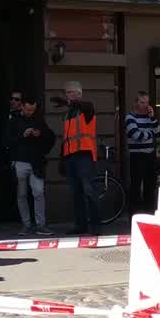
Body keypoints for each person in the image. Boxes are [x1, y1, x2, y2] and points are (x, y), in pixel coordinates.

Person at [6, 95, 56, 236]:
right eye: (28, 109)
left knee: (38, 192)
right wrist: (23, 135)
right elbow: (7, 141)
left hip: (36, 162)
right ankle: (26, 224)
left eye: (32, 110)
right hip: (20, 161)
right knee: (21, 194)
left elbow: (51, 137)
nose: (30, 112)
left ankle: (41, 225)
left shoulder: (38, 120)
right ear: (22, 106)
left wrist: (40, 134)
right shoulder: (14, 121)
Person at [56, 81, 100, 234]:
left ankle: (96, 226)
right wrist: (62, 159)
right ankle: (80, 225)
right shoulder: (68, 114)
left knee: (89, 191)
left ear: (78, 94)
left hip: (84, 155)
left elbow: (85, 106)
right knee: (76, 193)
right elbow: (66, 138)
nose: (66, 95)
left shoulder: (87, 108)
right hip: (70, 156)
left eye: (69, 92)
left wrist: (70, 102)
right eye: (66, 93)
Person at [125, 92, 159, 214]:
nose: (145, 105)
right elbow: (137, 135)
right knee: (135, 186)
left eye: (146, 102)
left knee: (150, 187)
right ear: (136, 103)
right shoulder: (130, 117)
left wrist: (153, 117)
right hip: (137, 156)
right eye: (142, 102)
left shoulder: (150, 117)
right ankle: (133, 215)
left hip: (150, 155)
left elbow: (158, 133)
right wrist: (150, 134)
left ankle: (149, 214)